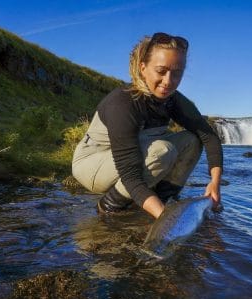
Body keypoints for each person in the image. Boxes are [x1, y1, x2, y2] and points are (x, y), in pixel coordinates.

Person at [72, 32, 223, 219]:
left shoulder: (173, 100)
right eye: (161, 71)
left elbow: (208, 136)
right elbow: (130, 174)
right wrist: (167, 220)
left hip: (131, 159)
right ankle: (109, 205)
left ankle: (162, 198)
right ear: (143, 68)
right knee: (162, 151)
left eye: (177, 73)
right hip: (92, 164)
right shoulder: (123, 103)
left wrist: (215, 183)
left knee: (192, 140)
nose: (168, 81)